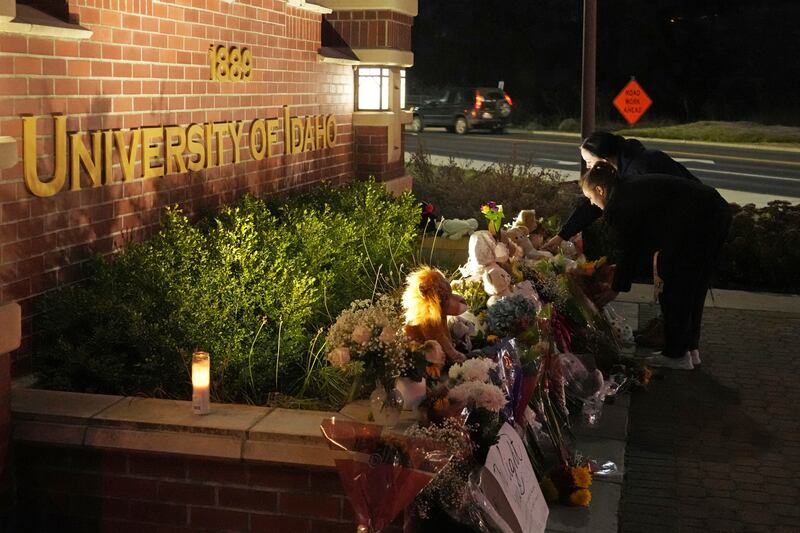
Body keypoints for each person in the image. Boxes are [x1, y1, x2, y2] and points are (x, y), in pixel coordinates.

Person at [583, 161, 731, 370]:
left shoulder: (617, 204)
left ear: (599, 189)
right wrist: (621, 270)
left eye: (590, 197)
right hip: (714, 211)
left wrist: (616, 288)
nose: (592, 203)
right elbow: (643, 241)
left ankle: (676, 355)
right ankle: (689, 351)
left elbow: (629, 247)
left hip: (697, 224)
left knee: (675, 288)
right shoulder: (628, 188)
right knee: (694, 287)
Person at [544, 131, 699, 251]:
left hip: (696, 221)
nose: (589, 168)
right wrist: (562, 236)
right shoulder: (622, 169)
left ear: (604, 159)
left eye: (589, 162)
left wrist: (619, 281)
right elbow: (594, 203)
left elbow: (642, 226)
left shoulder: (638, 171)